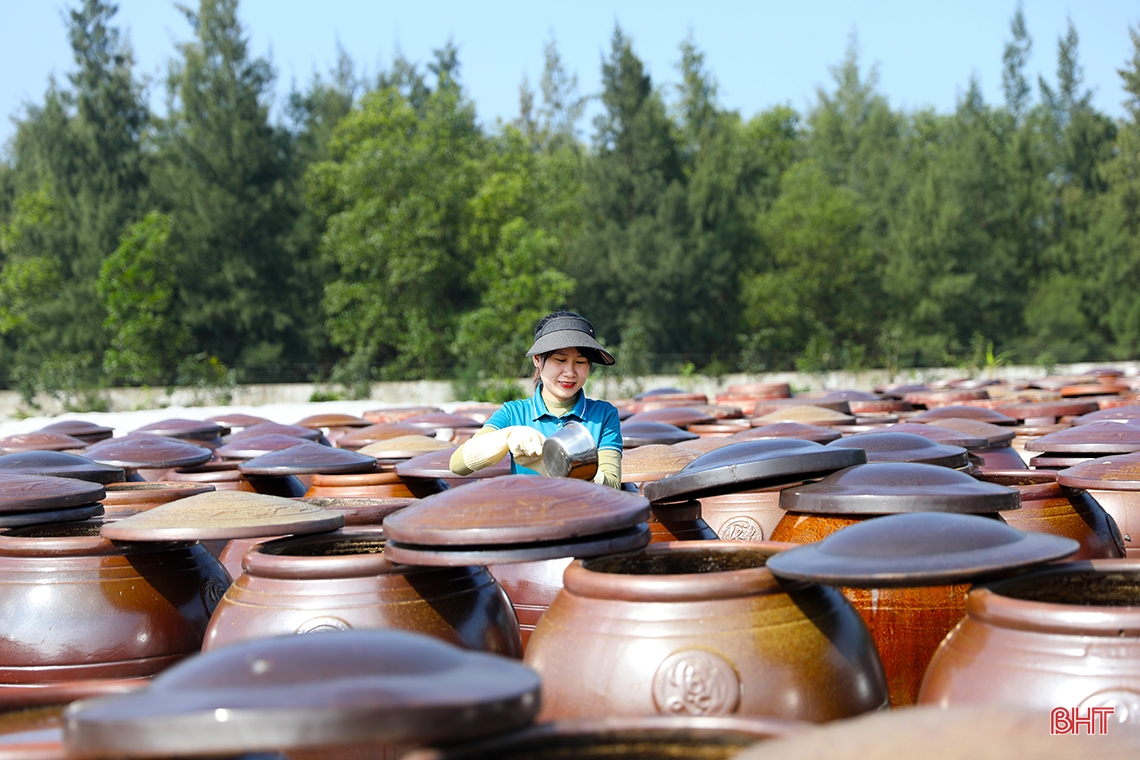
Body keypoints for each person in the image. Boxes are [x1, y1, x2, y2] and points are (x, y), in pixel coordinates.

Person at [449, 311, 623, 488]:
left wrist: (555, 466)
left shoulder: (603, 415)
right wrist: (507, 436)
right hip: (528, 512)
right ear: (537, 360)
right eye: (560, 360)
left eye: (580, 362)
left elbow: (612, 485)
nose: (570, 373)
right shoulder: (513, 413)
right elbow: (457, 465)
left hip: (586, 512)